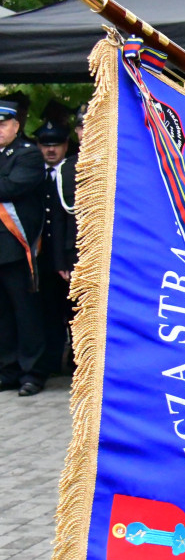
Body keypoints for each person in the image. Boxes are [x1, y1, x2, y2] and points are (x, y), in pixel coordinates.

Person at [0, 99, 47, 396]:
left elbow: (11, 188)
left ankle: (33, 372)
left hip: (16, 249)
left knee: (25, 313)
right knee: (2, 314)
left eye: (3, 124)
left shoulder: (27, 155)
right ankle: (8, 370)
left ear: (16, 126)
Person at [35, 120, 78, 377]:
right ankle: (50, 360)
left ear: (65, 145)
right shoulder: (34, 170)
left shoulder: (71, 169)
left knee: (73, 308)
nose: (51, 150)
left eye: (57, 144)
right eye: (45, 145)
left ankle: (76, 356)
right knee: (48, 310)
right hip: (41, 254)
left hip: (68, 253)